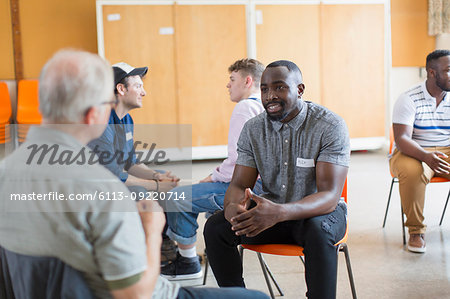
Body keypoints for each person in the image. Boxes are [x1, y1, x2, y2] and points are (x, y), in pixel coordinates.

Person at [0, 49, 269, 299]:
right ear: (95, 114)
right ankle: (176, 257)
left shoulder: (6, 172)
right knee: (256, 298)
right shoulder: (102, 192)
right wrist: (152, 230)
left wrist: (154, 177)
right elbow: (136, 293)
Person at [203, 60, 350, 299]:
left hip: (317, 214)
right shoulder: (253, 129)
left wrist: (280, 212)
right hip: (269, 214)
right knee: (217, 227)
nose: (270, 95)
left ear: (300, 89)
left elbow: (329, 197)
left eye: (280, 87)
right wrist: (233, 211)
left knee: (318, 230)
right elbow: (240, 184)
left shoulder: (329, 126)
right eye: (264, 89)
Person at [161, 58, 265, 280]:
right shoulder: (265, 105)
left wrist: (212, 177)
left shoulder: (244, 108)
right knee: (207, 204)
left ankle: (187, 263)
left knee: (176, 196)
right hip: (265, 187)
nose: (228, 85)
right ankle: (214, 251)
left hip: (247, 188)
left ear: (248, 81)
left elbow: (240, 161)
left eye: (232, 79)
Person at [389, 49, 450, 253]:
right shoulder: (408, 98)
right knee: (413, 172)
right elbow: (402, 139)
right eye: (448, 70)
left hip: (446, 149)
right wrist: (426, 157)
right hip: (413, 151)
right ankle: (416, 231)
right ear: (432, 73)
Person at [89, 62, 179, 196]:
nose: (144, 93)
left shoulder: (127, 120)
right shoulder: (101, 122)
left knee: (160, 177)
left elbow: (130, 163)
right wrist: (156, 186)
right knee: (140, 192)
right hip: (95, 187)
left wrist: (156, 176)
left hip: (113, 179)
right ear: (121, 89)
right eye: (138, 86)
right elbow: (112, 176)